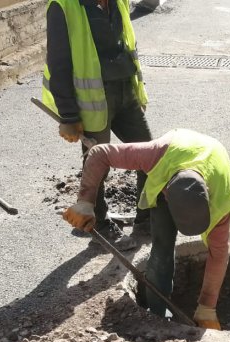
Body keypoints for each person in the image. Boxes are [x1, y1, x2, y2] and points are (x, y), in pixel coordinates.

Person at [61, 129, 230, 331]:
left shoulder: (222, 201)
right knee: (161, 252)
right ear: (167, 194)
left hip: (214, 178)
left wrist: (207, 306)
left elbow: (219, 254)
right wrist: (85, 201)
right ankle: (157, 314)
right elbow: (100, 153)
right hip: (171, 169)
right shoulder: (155, 154)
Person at [42, 0, 152, 251]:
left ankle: (146, 218)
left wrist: (138, 92)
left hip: (125, 91)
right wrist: (68, 116)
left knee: (149, 156)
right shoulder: (63, 7)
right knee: (96, 164)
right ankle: (100, 224)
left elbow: (128, 45)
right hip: (92, 99)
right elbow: (58, 63)